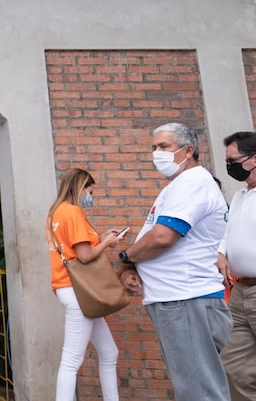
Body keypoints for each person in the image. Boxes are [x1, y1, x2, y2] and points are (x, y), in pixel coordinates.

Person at [117, 122, 231, 400]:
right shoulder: (182, 185)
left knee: (199, 392)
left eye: (164, 146)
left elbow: (162, 237)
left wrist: (124, 259)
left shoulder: (192, 183)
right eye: (154, 147)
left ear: (188, 150)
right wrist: (135, 265)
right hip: (179, 300)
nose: (157, 153)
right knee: (193, 386)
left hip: (186, 299)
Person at [46, 169, 122, 401]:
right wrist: (108, 242)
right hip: (80, 291)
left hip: (69, 288)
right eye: (90, 189)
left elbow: (74, 249)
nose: (91, 194)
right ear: (80, 187)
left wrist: (102, 236)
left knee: (110, 352)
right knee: (71, 361)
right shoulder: (73, 212)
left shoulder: (54, 213)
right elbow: (85, 255)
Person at [217, 131, 256, 399]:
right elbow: (228, 233)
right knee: (234, 366)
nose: (230, 166)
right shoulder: (241, 195)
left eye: (234, 159)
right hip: (240, 292)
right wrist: (221, 253)